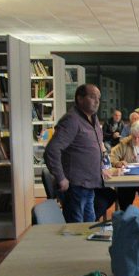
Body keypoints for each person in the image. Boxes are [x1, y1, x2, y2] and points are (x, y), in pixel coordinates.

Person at [44, 84, 116, 223]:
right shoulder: (72, 120)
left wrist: (101, 168)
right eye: (92, 97)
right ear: (80, 99)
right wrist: (60, 177)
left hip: (90, 183)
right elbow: (52, 150)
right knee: (76, 228)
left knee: (88, 225)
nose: (97, 101)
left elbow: (91, 149)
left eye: (99, 98)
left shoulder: (93, 119)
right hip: (76, 185)